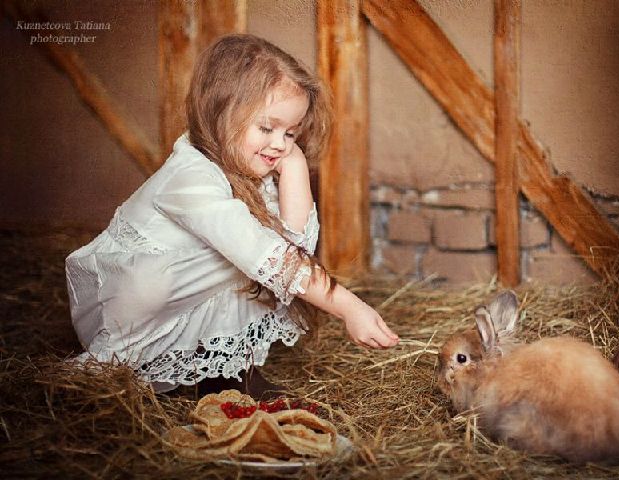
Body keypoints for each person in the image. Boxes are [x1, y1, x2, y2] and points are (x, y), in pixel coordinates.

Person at [65, 34, 399, 398]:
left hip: (189, 293)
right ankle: (118, 375)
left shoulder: (255, 167)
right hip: (133, 313)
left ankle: (221, 371)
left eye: (291, 133)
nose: (280, 144)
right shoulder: (190, 176)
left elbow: (295, 245)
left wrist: (296, 164)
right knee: (255, 259)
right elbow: (275, 259)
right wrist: (350, 307)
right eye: (267, 128)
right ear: (222, 111)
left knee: (257, 264)